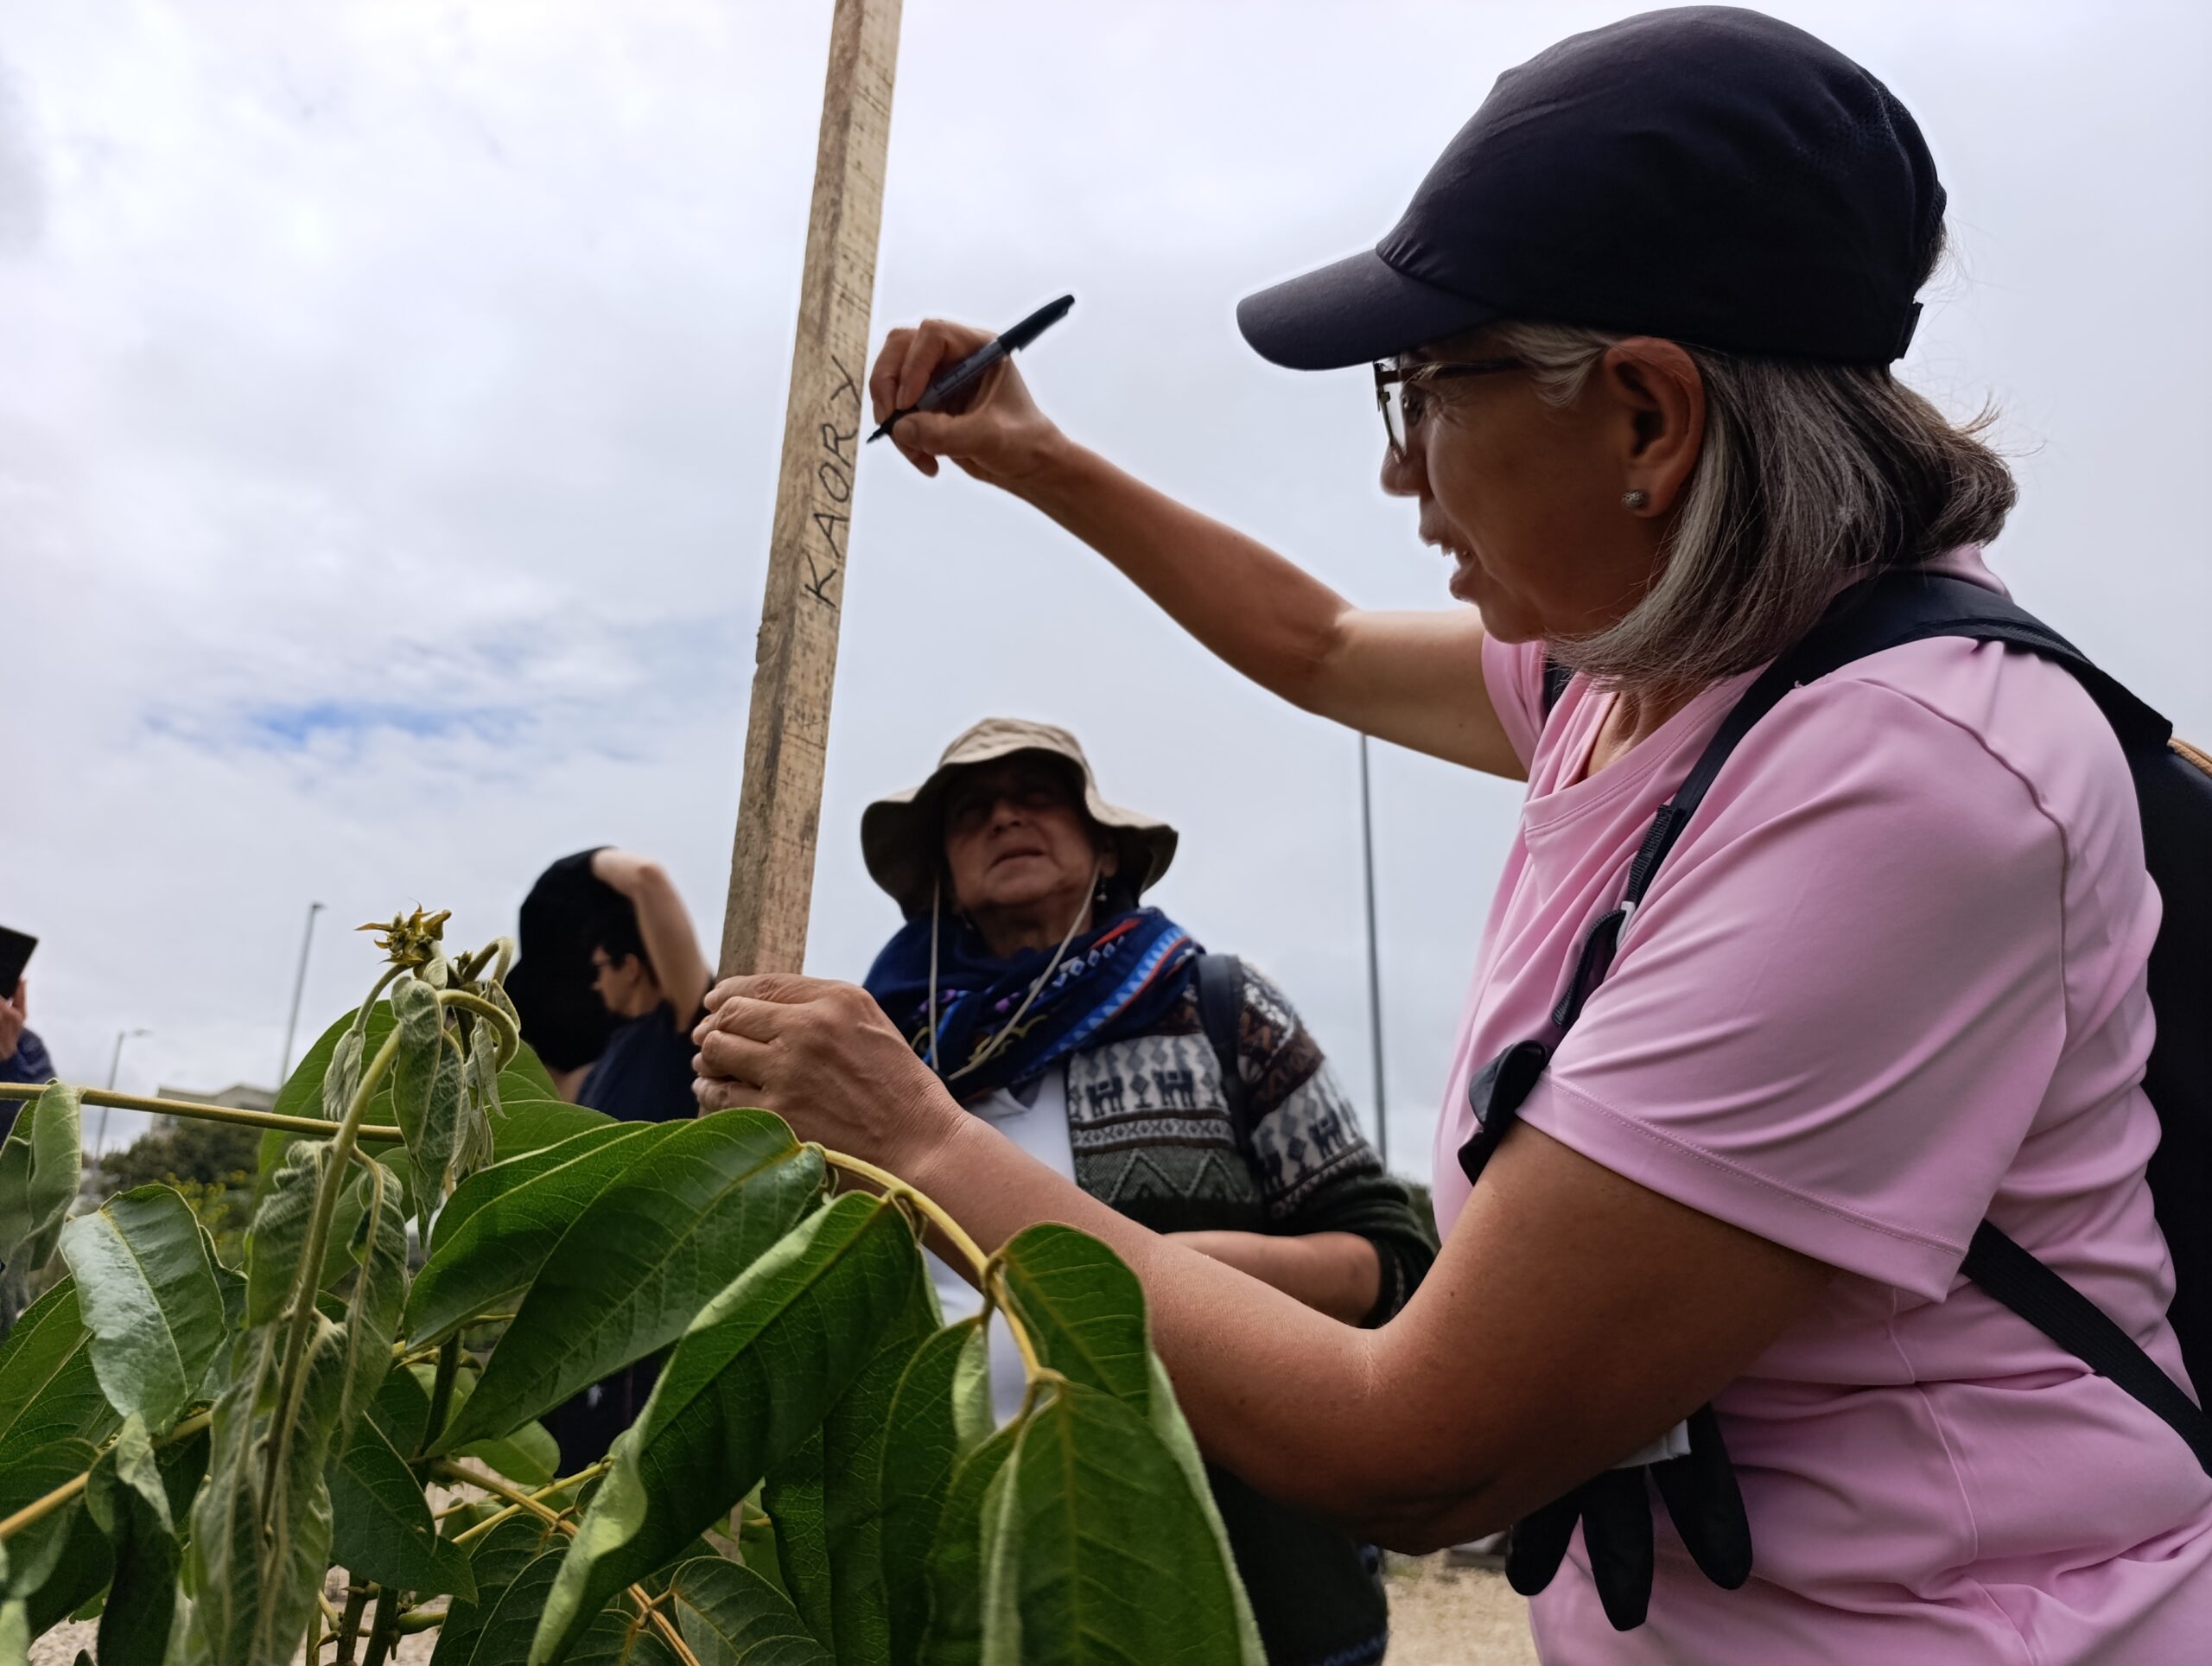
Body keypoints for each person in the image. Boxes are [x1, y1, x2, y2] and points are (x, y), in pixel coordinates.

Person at [693, 10, 2212, 1661]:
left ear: (1648, 418)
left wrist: (925, 1146)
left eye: (1424, 392)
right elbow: (1322, 645)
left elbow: (1420, 1438)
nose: (1403, 473)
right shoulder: (1657, 666)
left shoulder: (1899, 782)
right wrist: (1041, 458)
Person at [860, 716, 1435, 1666]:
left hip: (1233, 1569)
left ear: (1105, 846)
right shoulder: (893, 1061)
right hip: (963, 1574)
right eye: (970, 809)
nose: (1004, 814)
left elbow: (1389, 1258)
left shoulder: (1218, 1006)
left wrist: (1175, 1276)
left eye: (1038, 793)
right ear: (941, 871)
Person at [520, 847, 711, 1467]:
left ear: (632, 965)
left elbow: (651, 878)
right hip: (583, 1311)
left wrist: (585, 868)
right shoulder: (599, 1065)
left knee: (618, 1482)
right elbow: (539, 1085)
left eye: (601, 966)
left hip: (649, 1313)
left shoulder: (682, 1029)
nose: (594, 982)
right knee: (559, 1483)